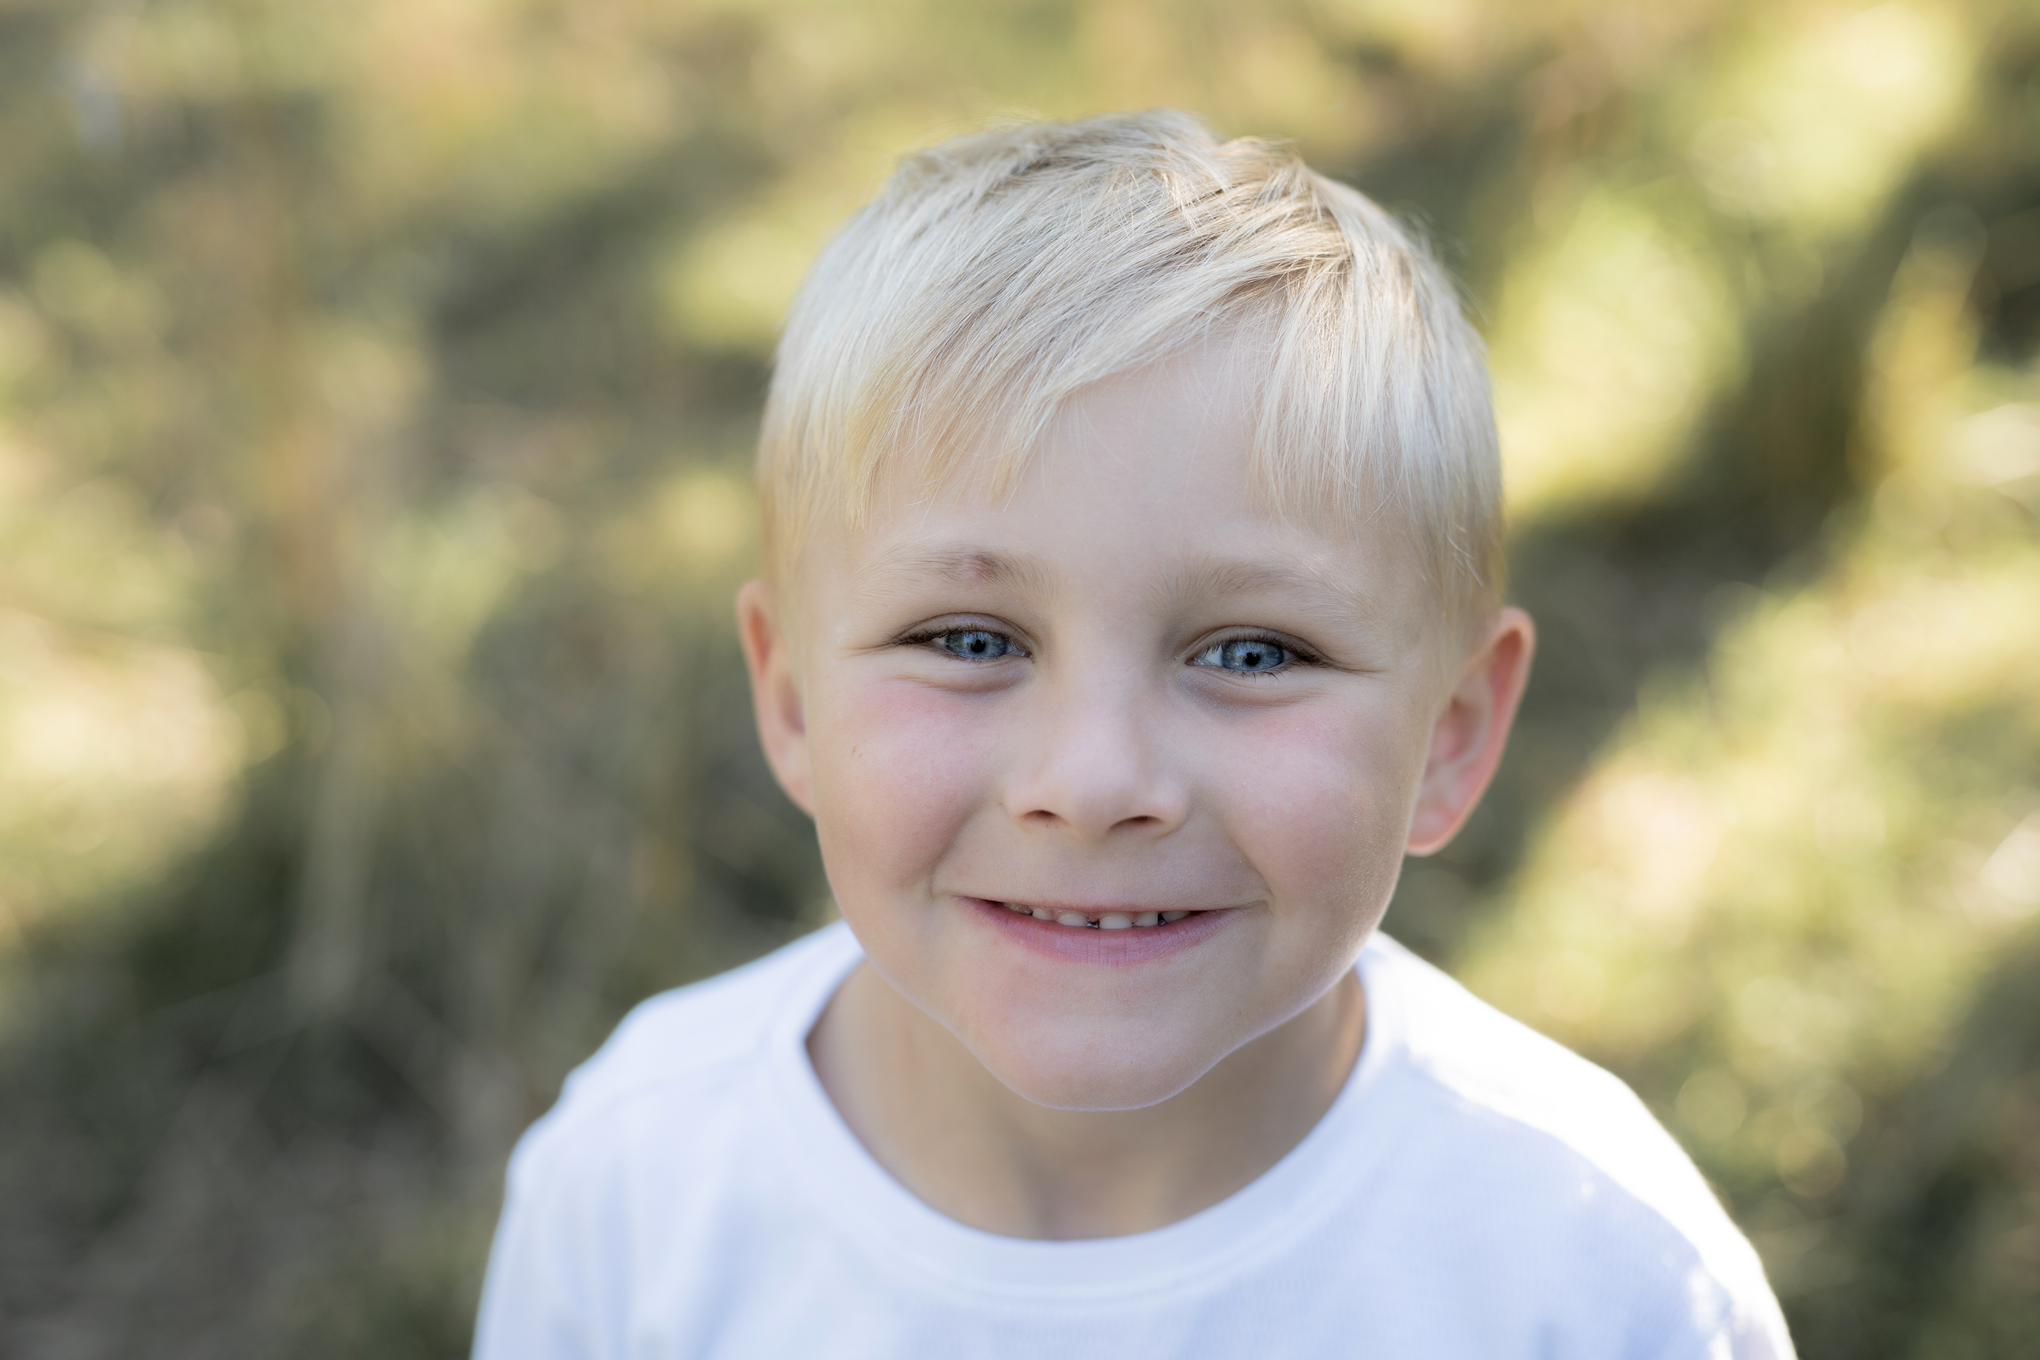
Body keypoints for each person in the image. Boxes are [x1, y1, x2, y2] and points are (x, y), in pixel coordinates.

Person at [471, 110, 1794, 1359]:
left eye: (1255, 653)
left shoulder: (1596, 1273)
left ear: (1448, 738)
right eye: (971, 641)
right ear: (793, 699)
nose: (1096, 784)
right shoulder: (637, 1187)